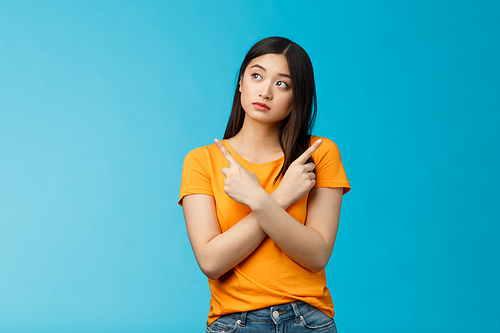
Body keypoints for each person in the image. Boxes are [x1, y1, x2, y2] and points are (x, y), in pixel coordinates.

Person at [179, 36, 351, 333]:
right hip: (234, 322)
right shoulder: (201, 160)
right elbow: (211, 261)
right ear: (241, 83)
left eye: (282, 84)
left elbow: (317, 255)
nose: (266, 92)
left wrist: (258, 199)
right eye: (257, 76)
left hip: (307, 320)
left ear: (298, 96)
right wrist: (280, 196)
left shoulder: (319, 154)